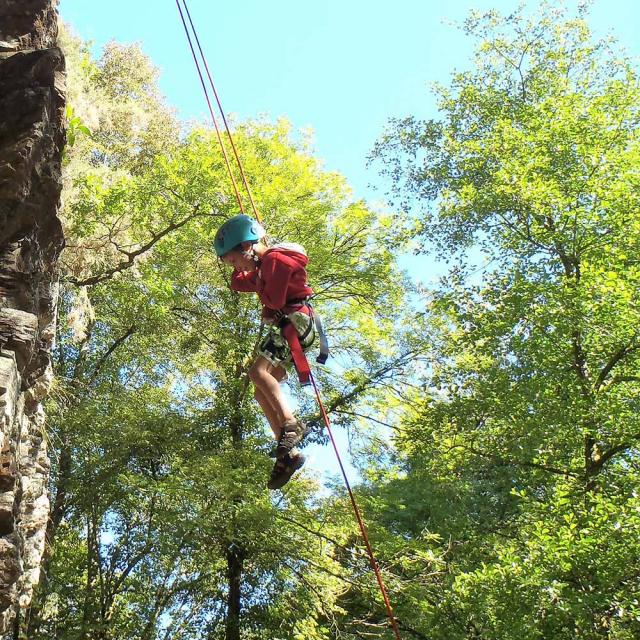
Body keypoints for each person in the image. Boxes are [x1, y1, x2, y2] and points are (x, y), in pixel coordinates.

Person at [214, 214, 316, 489]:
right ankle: (288, 455)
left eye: (235, 261)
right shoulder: (262, 270)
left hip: (296, 321)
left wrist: (266, 302)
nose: (236, 267)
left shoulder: (275, 261)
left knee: (257, 372)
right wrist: (247, 275)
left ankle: (291, 423)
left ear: (247, 247)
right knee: (260, 391)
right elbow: (238, 284)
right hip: (290, 325)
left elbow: (275, 300)